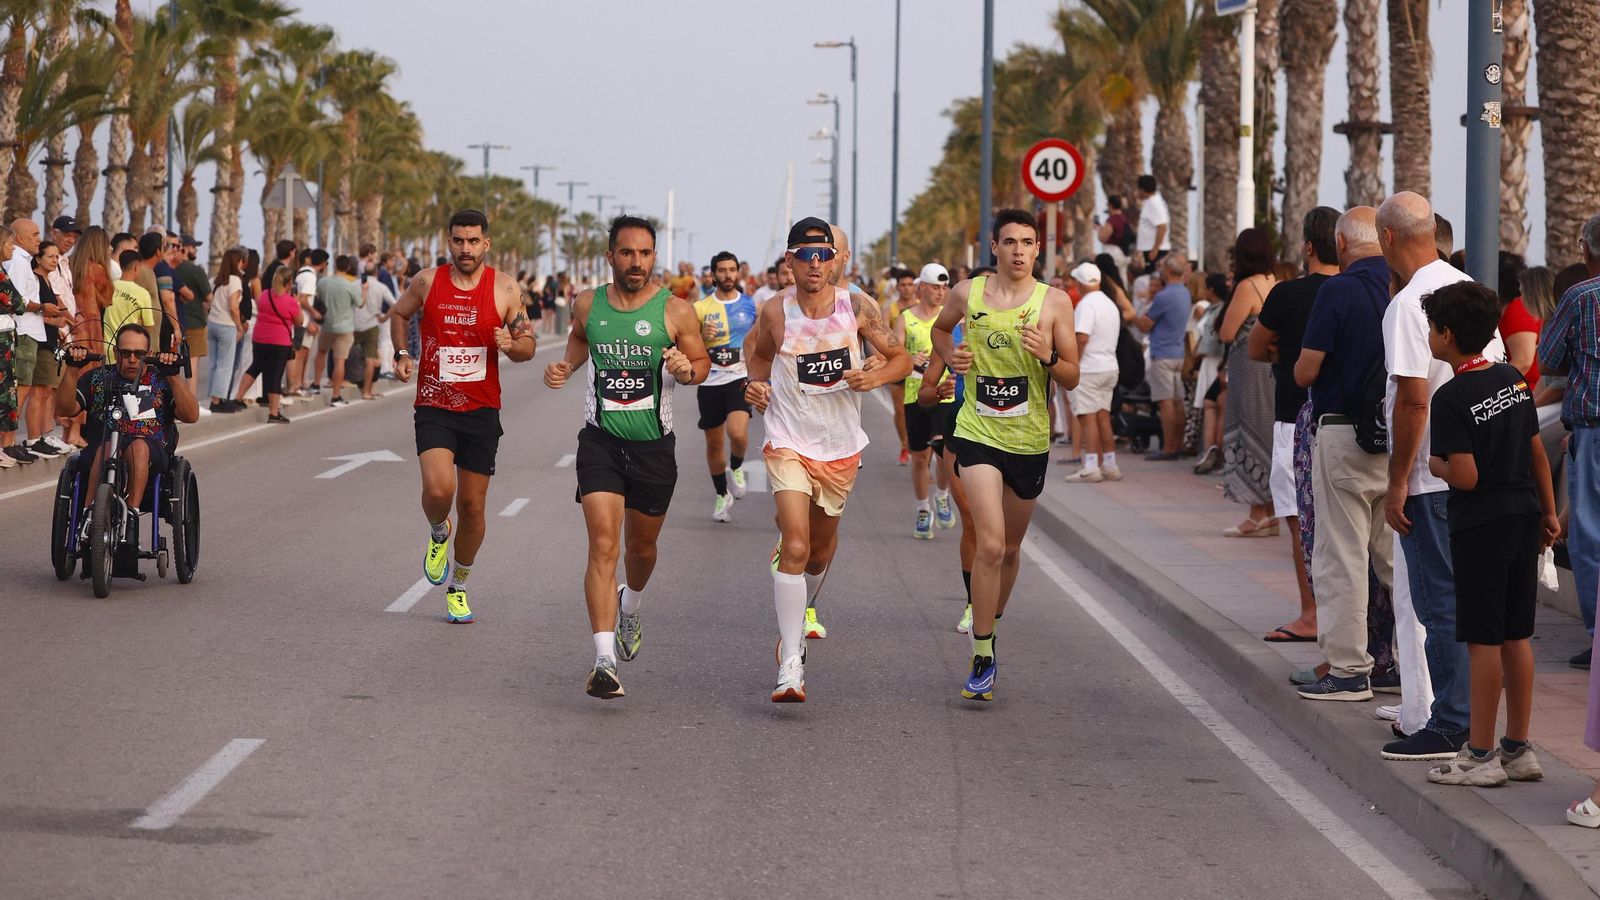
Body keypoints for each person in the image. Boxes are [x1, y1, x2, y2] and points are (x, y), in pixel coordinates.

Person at [745, 216, 911, 702]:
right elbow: (757, 355)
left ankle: (798, 618)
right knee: (794, 546)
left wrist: (874, 379)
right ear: (790, 261)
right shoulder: (776, 311)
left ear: (836, 260)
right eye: (805, 255)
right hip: (787, 439)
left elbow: (900, 359)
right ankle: (791, 661)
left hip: (839, 446)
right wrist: (753, 386)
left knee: (819, 551)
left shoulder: (858, 307)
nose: (815, 264)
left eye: (824, 255)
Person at [543, 215, 708, 699]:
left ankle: (630, 605)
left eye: (644, 254)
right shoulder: (588, 303)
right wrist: (566, 367)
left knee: (640, 550)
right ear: (610, 255)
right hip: (601, 441)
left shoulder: (675, 311)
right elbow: (579, 337)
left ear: (653, 258)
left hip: (654, 445)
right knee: (602, 544)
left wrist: (685, 367)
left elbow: (699, 364)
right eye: (627, 253)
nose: (636, 262)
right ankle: (603, 659)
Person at [1412, 280, 1558, 787]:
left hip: (1481, 525)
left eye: (1432, 327)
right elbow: (1537, 452)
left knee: (1482, 640)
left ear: (1447, 334)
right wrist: (1550, 511)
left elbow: (1467, 476)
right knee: (1517, 634)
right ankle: (1518, 747)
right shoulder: (1514, 381)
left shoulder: (1451, 395)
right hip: (1523, 514)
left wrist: (1435, 463)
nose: (1429, 335)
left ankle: (1479, 755)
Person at [932, 208, 1080, 702]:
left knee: (1011, 550)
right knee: (990, 544)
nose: (1019, 250)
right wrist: (950, 355)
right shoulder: (967, 293)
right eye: (1010, 241)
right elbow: (940, 330)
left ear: (1039, 250)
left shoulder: (1054, 302)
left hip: (1029, 438)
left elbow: (1072, 376)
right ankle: (982, 652)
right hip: (976, 430)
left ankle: (988, 622)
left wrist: (1049, 357)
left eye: (1028, 242)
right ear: (993, 247)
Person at [1378, 190, 1505, 761]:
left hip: (1432, 478)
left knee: (1440, 601)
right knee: (1474, 601)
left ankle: (1451, 721)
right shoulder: (1467, 292)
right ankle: (1474, 723)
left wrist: (1398, 480)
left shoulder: (1410, 305)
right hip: (1477, 470)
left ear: (1387, 239)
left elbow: (1413, 401)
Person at [389, 209, 538, 626]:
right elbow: (399, 314)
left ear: (486, 244)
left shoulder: (505, 287)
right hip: (435, 403)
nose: (466, 248)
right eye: (458, 241)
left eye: (473, 241)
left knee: (472, 507)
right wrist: (402, 353)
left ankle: (459, 584)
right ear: (449, 242)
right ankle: (439, 532)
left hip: (481, 410)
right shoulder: (427, 281)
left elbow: (528, 345)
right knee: (439, 490)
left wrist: (511, 343)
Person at [1248, 209, 1339, 640]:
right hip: (1346, 418)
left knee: (1300, 523)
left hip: (1292, 414)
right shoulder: (1360, 291)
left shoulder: (1287, 294)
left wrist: (1279, 355)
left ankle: (1310, 615)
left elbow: (1254, 346)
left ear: (1308, 247)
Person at [54, 322, 200, 534]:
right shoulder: (99, 378)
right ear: (115, 352)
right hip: (102, 448)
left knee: (138, 447)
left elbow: (191, 415)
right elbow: (64, 408)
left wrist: (173, 375)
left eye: (139, 354)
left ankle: (131, 517)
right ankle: (88, 517)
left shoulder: (159, 380)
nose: (132, 359)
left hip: (150, 451)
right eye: (126, 353)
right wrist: (72, 369)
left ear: (149, 353)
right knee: (106, 449)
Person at [1540, 212, 1600, 667]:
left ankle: (1599, 638)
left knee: (1590, 540)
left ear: (1586, 250)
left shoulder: (1581, 297)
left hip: (1593, 435)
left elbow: (1550, 360)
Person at [1218, 228, 1280, 535]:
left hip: (1249, 369)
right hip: (1272, 370)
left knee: (1248, 432)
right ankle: (1270, 513)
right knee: (1269, 436)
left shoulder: (1247, 287)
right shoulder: (1273, 282)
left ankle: (1256, 514)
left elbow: (1227, 332)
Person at [693, 250, 757, 522]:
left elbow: (762, 341)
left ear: (738, 272)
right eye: (722, 270)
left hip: (738, 377)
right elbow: (686, 344)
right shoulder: (701, 308)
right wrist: (699, 336)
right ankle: (722, 495)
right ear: (713, 273)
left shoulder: (751, 305)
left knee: (738, 432)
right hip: (709, 382)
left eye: (732, 270)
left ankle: (737, 465)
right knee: (713, 444)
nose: (728, 275)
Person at [896, 262, 957, 535]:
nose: (941, 292)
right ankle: (923, 509)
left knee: (944, 454)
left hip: (945, 394)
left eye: (944, 287)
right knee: (920, 457)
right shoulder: (905, 318)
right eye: (935, 287)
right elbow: (894, 355)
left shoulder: (952, 318)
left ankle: (942, 496)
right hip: (915, 396)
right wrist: (909, 359)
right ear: (922, 287)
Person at [1063, 261, 1123, 483]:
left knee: (1087, 417)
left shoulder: (1086, 305)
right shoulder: (1110, 303)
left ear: (1080, 283)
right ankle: (1109, 464)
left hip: (1089, 368)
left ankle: (1091, 466)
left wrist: (1072, 365)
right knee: (1103, 416)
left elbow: (1082, 338)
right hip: (1109, 366)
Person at [1134, 254, 1191, 459]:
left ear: (1168, 271)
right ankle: (1178, 444)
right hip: (1177, 352)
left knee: (1165, 402)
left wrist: (1132, 315)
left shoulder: (1164, 296)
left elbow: (1146, 324)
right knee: (1177, 402)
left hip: (1163, 353)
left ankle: (1169, 447)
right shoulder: (1185, 293)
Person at [232, 266, 298, 423]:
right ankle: (274, 413)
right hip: (279, 341)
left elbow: (261, 308)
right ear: (289, 282)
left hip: (260, 338)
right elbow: (299, 320)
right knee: (275, 375)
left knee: (256, 367)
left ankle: (238, 397)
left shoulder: (264, 295)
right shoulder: (290, 301)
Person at [314, 254, 360, 406]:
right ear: (347, 268)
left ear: (334, 265)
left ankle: (315, 384)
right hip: (345, 327)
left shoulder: (323, 282)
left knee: (321, 352)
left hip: (327, 324)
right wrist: (364, 290)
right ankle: (336, 395)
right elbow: (360, 303)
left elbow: (318, 298)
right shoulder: (350, 285)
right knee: (339, 361)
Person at [205, 247, 247, 413]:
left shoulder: (215, 279)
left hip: (213, 323)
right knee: (225, 364)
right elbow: (233, 306)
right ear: (237, 262)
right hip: (227, 325)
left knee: (214, 363)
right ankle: (217, 401)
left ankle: (214, 398)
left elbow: (207, 302)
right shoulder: (235, 281)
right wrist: (239, 326)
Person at [1134, 174, 1170, 275]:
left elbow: (1162, 226)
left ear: (1142, 189)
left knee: (1153, 277)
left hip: (1155, 250)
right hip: (1149, 248)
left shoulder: (1154, 203)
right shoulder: (1150, 202)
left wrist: (1155, 249)